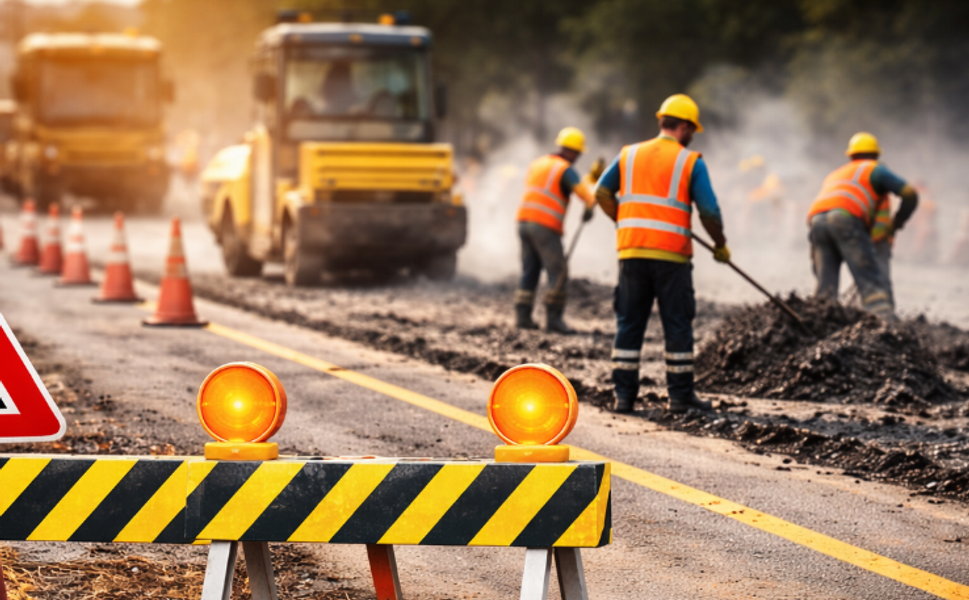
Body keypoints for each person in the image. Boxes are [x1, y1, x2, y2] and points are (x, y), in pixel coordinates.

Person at [595, 94, 730, 413]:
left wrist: (623, 220)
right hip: (671, 257)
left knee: (629, 323)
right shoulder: (690, 161)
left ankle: (623, 397)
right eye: (693, 130)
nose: (692, 135)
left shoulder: (628, 154)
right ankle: (680, 397)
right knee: (677, 325)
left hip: (632, 252)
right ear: (685, 127)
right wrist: (720, 243)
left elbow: (601, 191)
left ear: (662, 121)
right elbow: (709, 211)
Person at [808, 132, 917, 316]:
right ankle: (883, 319)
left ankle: (819, 319)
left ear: (850, 155)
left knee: (825, 287)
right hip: (844, 218)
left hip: (817, 221)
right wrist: (898, 221)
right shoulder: (876, 170)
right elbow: (909, 194)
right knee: (869, 282)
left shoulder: (836, 173)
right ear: (876, 155)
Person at [514, 127, 598, 334]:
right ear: (574, 151)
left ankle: (522, 317)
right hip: (544, 225)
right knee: (558, 271)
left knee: (530, 270)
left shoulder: (539, 163)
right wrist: (590, 205)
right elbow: (585, 194)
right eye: (578, 154)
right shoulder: (565, 169)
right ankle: (554, 319)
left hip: (524, 222)